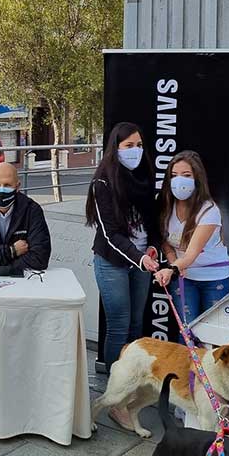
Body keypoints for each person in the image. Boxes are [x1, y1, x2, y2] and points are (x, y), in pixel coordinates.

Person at [86, 122, 161, 375]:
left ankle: (132, 378)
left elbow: (154, 220)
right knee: (118, 324)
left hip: (142, 261)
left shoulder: (145, 176)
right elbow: (110, 234)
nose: (135, 151)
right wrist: (139, 258)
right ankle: (114, 387)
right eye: (128, 146)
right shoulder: (102, 183)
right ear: (115, 149)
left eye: (139, 145)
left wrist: (152, 247)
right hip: (112, 263)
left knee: (136, 323)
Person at [154, 151, 229, 323]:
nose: (179, 180)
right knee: (187, 331)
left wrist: (171, 269)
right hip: (184, 276)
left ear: (197, 178)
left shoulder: (209, 210)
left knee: (212, 333)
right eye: (174, 175)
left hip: (213, 278)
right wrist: (174, 263)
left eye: (186, 175)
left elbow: (191, 253)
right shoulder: (166, 205)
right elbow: (165, 242)